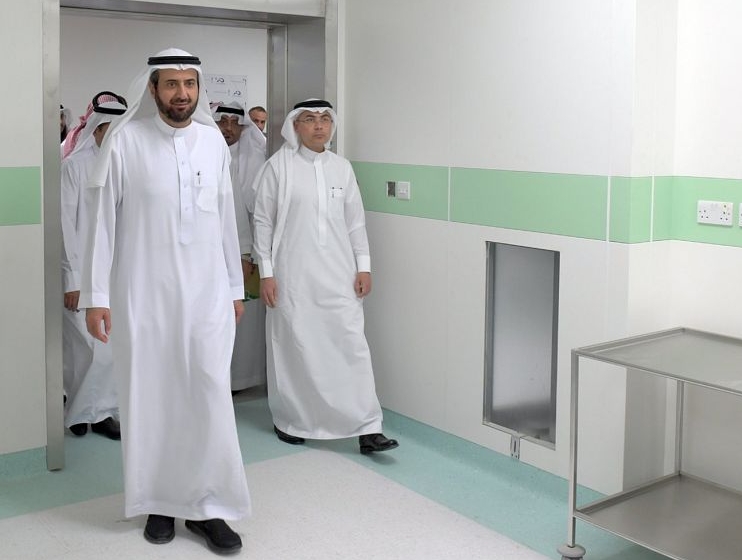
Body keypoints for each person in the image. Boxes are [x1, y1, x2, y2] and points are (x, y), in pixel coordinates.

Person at [79, 48, 250, 555]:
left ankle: (209, 506)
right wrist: (96, 296)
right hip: (143, 296)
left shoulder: (213, 143)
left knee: (208, 396)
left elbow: (225, 219)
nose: (181, 93)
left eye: (189, 84)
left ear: (199, 89)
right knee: (152, 399)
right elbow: (101, 224)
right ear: (152, 89)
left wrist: (235, 288)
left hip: (207, 298)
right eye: (171, 84)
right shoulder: (125, 142)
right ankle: (159, 502)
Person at [252, 98, 399, 455]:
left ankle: (367, 427)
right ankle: (292, 420)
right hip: (292, 276)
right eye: (309, 119)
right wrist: (266, 273)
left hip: (339, 274)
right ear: (295, 126)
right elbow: (263, 222)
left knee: (351, 345)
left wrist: (364, 266)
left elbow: (355, 222)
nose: (318, 125)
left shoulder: (342, 168)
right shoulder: (278, 168)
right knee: (295, 346)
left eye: (324, 119)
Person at [61, 91, 127, 440]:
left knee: (109, 347)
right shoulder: (74, 167)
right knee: (84, 349)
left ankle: (100, 412)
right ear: (96, 130)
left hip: (116, 273)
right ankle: (79, 410)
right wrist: (72, 279)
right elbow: (65, 227)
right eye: (108, 130)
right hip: (81, 273)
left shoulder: (127, 166)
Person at [212, 102, 267, 392]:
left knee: (245, 316)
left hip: (247, 251)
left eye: (235, 123)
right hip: (210, 250)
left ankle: (243, 378)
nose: (228, 128)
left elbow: (254, 213)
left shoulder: (255, 159)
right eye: (222, 121)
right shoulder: (208, 154)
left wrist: (248, 254)